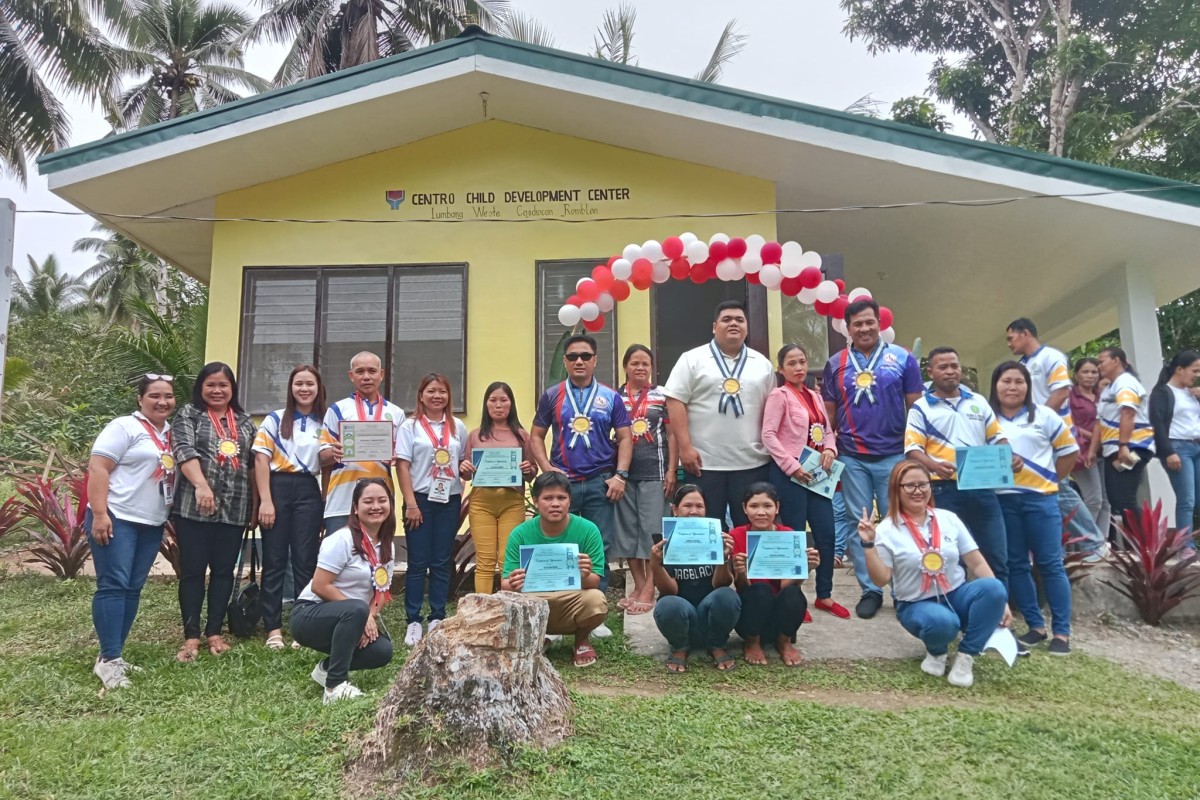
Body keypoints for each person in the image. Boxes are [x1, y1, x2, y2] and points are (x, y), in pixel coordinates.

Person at [857, 460, 1012, 688]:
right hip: (915, 603)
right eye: (909, 486)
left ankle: (966, 655)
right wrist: (868, 545)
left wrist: (1002, 603)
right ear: (896, 490)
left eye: (923, 484)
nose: (918, 491)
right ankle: (937, 651)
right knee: (942, 623)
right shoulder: (887, 530)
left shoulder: (948, 518)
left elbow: (976, 562)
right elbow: (880, 579)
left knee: (995, 589)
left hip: (956, 593)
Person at [823, 298, 924, 619]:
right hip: (852, 457)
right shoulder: (835, 362)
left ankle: (904, 590)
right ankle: (871, 589)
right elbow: (829, 413)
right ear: (847, 328)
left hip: (895, 454)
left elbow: (916, 408)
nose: (864, 328)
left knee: (900, 521)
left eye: (869, 322)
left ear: (879, 324)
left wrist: (915, 453)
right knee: (857, 522)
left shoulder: (903, 359)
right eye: (857, 324)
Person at [85, 374, 178, 689]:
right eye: (154, 395)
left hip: (151, 523)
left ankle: (113, 655)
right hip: (117, 517)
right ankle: (109, 659)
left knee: (133, 588)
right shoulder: (124, 427)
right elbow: (98, 468)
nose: (162, 401)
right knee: (113, 585)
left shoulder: (170, 434)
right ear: (140, 399)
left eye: (167, 396)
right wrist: (100, 513)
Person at [531, 333, 632, 621]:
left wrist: (620, 476)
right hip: (564, 486)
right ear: (564, 361)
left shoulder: (611, 397)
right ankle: (555, 610)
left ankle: (593, 613)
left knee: (598, 545)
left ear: (595, 360)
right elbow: (536, 436)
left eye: (585, 356)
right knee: (559, 545)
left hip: (602, 482)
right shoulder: (552, 395)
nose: (579, 361)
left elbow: (625, 438)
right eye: (573, 356)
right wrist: (546, 468)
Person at [904, 346, 1017, 584]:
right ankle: (959, 615)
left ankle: (999, 617)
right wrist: (933, 465)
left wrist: (1010, 457)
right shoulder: (921, 408)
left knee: (996, 556)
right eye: (942, 367)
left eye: (954, 366)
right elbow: (913, 450)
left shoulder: (978, 402)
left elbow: (997, 438)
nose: (950, 371)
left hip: (983, 488)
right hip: (944, 490)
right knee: (951, 558)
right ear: (931, 372)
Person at [171, 362, 258, 661]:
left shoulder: (245, 423)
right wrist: (201, 486)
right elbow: (183, 450)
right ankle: (191, 635)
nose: (217, 390)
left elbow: (252, 466)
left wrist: (257, 506)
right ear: (201, 387)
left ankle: (215, 632)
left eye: (224, 385)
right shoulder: (189, 414)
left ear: (232, 389)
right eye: (211, 384)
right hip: (193, 508)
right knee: (193, 572)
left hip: (234, 509)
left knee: (223, 572)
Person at [663, 300, 775, 530]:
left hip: (752, 462)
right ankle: (714, 569)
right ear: (714, 327)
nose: (733, 323)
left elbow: (772, 409)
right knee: (706, 531)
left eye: (739, 320)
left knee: (752, 531)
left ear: (747, 327)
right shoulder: (692, 359)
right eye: (727, 319)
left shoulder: (762, 364)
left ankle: (743, 568)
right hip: (704, 463)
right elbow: (675, 401)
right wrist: (685, 448)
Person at [990, 362, 1077, 655]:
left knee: (1050, 563)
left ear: (1028, 386)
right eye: (1006, 381)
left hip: (1040, 501)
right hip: (1002, 500)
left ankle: (1062, 633)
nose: (1012, 387)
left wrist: (1048, 481)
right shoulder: (986, 417)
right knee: (1015, 563)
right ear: (995, 385)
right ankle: (1036, 627)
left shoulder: (1045, 415)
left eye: (1019, 382)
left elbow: (1069, 453)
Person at [1007, 318, 1106, 558]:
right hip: (1038, 437)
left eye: (1011, 338)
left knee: (1056, 487)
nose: (1009, 344)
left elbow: (1061, 391)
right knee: (1049, 489)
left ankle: (1095, 543)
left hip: (1055, 435)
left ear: (1026, 334)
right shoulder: (1023, 364)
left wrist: (1035, 421)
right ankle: (1066, 548)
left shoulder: (1051, 357)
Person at [290, 477, 395, 703]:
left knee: (383, 650)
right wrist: (361, 614)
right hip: (310, 614)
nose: (376, 506)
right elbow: (320, 585)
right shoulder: (341, 539)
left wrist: (368, 617)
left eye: (382, 500)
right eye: (368, 501)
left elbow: (382, 588)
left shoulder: (386, 545)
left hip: (350, 617)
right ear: (356, 508)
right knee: (356, 609)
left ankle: (326, 669)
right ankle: (334, 687)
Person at [762, 343, 847, 619]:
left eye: (802, 361)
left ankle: (824, 595)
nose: (799, 368)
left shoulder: (815, 395)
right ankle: (793, 597)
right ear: (781, 369)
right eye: (792, 363)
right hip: (790, 475)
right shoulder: (779, 395)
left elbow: (826, 430)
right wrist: (792, 466)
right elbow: (769, 435)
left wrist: (831, 450)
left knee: (826, 533)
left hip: (818, 476)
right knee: (795, 536)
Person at [252, 365, 327, 650]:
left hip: (309, 489)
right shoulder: (274, 419)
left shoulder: (325, 421)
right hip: (277, 488)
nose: (304, 389)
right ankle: (273, 629)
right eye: (299, 384)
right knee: (274, 561)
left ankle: (302, 627)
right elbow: (260, 459)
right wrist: (266, 500)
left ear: (318, 387)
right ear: (291, 388)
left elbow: (328, 464)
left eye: (310, 383)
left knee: (305, 561)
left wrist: (325, 499)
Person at [501, 473, 609, 667]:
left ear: (570, 501)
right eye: (548, 498)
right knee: (503, 602)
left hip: (570, 601)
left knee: (596, 600)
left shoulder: (588, 529)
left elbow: (595, 582)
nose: (555, 504)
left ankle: (581, 640)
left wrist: (583, 574)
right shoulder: (520, 533)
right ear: (535, 501)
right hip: (534, 601)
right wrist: (514, 583)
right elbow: (505, 584)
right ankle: (539, 637)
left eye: (561, 498)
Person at [396, 373, 469, 646]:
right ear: (421, 395)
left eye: (442, 391)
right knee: (417, 562)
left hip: (449, 500)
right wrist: (411, 503)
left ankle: (437, 616)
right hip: (421, 500)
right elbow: (402, 466)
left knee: (440, 562)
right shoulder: (410, 426)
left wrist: (464, 470)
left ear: (448, 396)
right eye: (431, 391)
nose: (437, 396)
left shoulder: (457, 426)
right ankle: (413, 620)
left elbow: (462, 462)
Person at [649, 484, 740, 673]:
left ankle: (716, 644)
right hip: (682, 617)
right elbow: (669, 591)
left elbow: (721, 584)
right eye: (687, 506)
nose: (694, 511)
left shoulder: (716, 537)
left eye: (699, 506)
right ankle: (680, 647)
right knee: (668, 603)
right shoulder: (665, 541)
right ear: (675, 509)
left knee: (727, 595)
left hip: (710, 615)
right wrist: (655, 565)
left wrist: (723, 559)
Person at [614, 344, 677, 615]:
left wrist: (672, 470)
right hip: (623, 475)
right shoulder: (614, 397)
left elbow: (673, 435)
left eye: (645, 364)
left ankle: (651, 586)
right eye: (635, 363)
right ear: (625, 367)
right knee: (628, 530)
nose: (640, 368)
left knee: (653, 532)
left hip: (656, 473)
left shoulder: (662, 396)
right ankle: (638, 584)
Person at [729, 482, 820, 667]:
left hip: (781, 615)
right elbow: (741, 588)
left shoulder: (788, 535)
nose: (761, 512)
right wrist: (740, 572)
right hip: (751, 614)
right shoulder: (736, 535)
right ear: (744, 509)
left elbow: (787, 586)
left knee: (793, 594)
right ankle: (752, 641)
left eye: (767, 506)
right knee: (760, 589)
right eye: (754, 506)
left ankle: (784, 641)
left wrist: (805, 567)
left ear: (777, 507)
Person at [460, 382, 537, 594]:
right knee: (484, 561)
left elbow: (532, 474)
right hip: (481, 502)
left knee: (507, 558)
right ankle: (483, 611)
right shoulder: (476, 435)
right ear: (486, 404)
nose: (498, 405)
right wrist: (465, 467)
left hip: (511, 502)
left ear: (511, 404)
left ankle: (509, 610)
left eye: (503, 400)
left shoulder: (522, 436)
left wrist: (527, 468)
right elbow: (466, 472)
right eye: (493, 400)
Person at [318, 352, 404, 535]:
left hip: (380, 504)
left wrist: (398, 456)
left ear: (381, 374)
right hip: (342, 501)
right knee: (338, 559)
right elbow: (322, 456)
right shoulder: (337, 410)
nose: (366, 377)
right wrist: (334, 452)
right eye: (360, 371)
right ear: (351, 376)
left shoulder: (397, 413)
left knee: (379, 557)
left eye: (372, 371)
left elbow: (404, 459)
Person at [1088, 347, 1155, 539]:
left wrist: (1123, 446)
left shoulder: (1126, 382)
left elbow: (1128, 413)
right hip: (1114, 451)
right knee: (1116, 496)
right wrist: (1092, 450)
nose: (1099, 365)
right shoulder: (1109, 388)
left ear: (1116, 361)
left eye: (1102, 361)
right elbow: (1099, 422)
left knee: (1124, 495)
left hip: (1135, 448)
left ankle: (1143, 547)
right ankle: (1134, 545)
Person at [1150, 350, 1200, 557]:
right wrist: (1167, 451)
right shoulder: (1163, 392)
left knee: (1197, 498)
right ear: (1179, 369)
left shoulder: (1193, 393)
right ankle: (1185, 546)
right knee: (1186, 499)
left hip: (1197, 446)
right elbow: (1157, 423)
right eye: (1194, 370)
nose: (1197, 375)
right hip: (1178, 448)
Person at [1069, 358, 1111, 532]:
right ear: (1076, 375)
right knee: (1094, 499)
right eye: (1085, 371)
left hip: (1105, 451)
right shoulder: (1070, 396)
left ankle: (1102, 544)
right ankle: (1086, 542)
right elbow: (1067, 424)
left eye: (1094, 372)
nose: (1090, 376)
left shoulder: (1103, 396)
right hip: (1082, 452)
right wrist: (1093, 436)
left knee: (1106, 501)